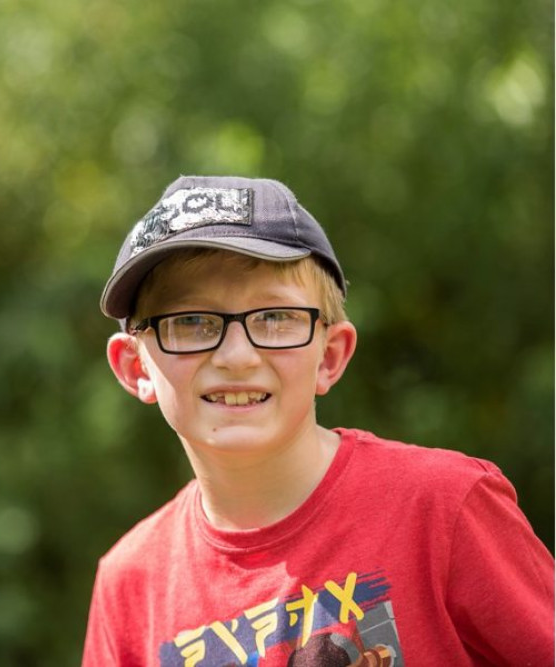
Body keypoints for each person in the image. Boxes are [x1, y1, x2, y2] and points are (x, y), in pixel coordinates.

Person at [81, 175, 555, 665]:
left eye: (274, 317)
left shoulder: (445, 507)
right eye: (190, 322)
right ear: (137, 368)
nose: (237, 354)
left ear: (330, 356)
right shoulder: (130, 582)